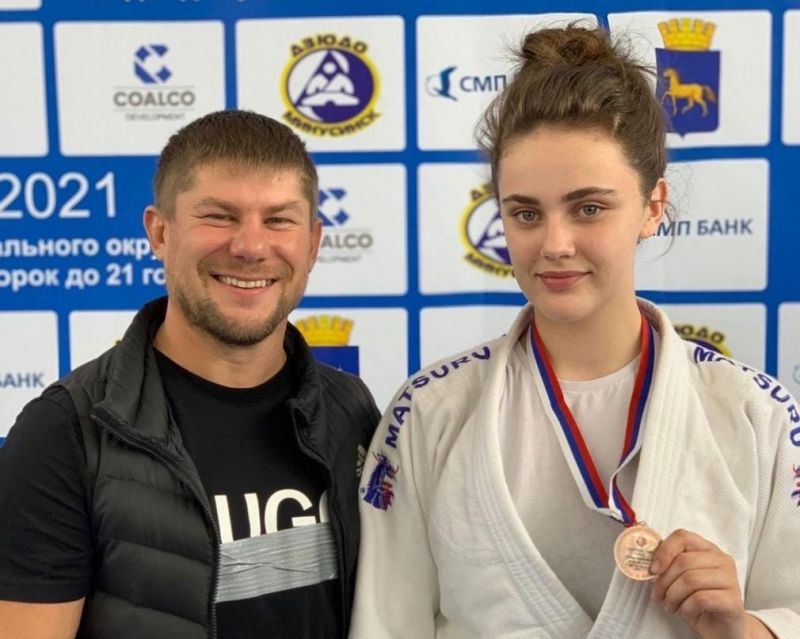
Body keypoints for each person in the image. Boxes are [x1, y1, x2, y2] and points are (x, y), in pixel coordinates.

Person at [350, 25, 800, 639]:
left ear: (652, 207)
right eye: (526, 213)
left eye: (589, 208)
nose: (555, 244)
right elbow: (384, 625)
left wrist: (743, 630)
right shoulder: (431, 413)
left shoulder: (755, 414)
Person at [0, 110, 380, 638]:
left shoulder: (352, 412)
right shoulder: (67, 430)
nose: (251, 247)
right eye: (219, 216)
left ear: (313, 244)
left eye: (278, 220)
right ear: (159, 232)